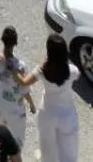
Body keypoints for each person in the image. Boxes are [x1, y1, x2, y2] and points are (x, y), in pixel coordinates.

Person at [16, 33, 79, 162]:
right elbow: (77, 76)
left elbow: (23, 82)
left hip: (47, 113)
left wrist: (12, 69)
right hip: (67, 115)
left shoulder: (42, 70)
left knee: (47, 146)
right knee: (68, 148)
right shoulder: (72, 70)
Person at [0, 27, 35, 151]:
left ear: (2, 40)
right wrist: (31, 104)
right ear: (15, 43)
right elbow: (25, 90)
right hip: (15, 112)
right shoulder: (20, 66)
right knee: (15, 146)